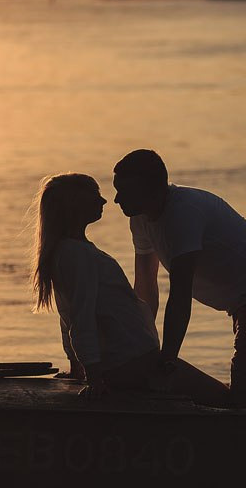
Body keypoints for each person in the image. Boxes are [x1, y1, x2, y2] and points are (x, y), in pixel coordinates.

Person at [112, 150, 246, 409]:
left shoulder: (182, 215)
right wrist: (142, 340)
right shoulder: (140, 219)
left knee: (244, 397)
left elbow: (180, 295)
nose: (116, 200)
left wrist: (168, 359)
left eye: (125, 192)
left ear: (153, 189)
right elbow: (145, 287)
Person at [30, 172, 228, 406]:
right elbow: (80, 320)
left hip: (132, 360)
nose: (104, 201)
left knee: (216, 394)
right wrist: (93, 377)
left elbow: (68, 316)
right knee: (225, 397)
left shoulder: (69, 252)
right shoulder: (77, 255)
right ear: (75, 205)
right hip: (133, 362)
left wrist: (77, 365)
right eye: (95, 195)